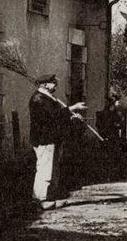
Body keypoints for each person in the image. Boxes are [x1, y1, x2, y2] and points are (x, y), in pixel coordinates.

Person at [29, 73, 86, 210]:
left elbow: (57, 118)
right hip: (44, 139)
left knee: (53, 169)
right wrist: (72, 108)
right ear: (45, 84)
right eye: (52, 82)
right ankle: (40, 199)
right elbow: (52, 116)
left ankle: (51, 197)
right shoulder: (38, 99)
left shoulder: (48, 98)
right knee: (44, 169)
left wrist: (70, 117)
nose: (55, 84)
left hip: (53, 138)